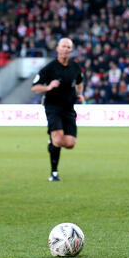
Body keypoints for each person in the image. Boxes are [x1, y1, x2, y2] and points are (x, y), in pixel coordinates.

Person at [31, 38, 84, 181]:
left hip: (69, 107)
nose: (66, 49)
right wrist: (48, 87)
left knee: (70, 143)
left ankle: (52, 143)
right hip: (53, 106)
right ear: (58, 49)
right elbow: (35, 87)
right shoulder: (49, 68)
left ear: (71, 51)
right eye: (63, 46)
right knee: (58, 139)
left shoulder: (75, 67)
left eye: (68, 47)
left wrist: (79, 95)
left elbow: (79, 83)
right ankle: (54, 173)